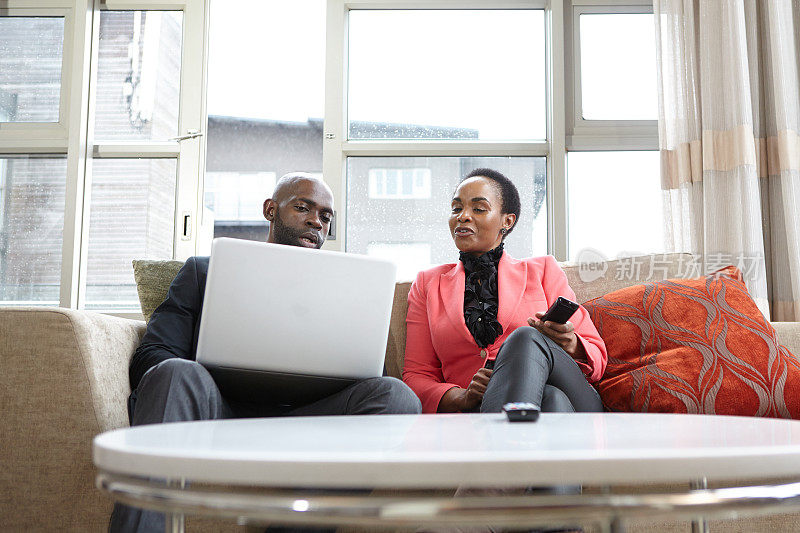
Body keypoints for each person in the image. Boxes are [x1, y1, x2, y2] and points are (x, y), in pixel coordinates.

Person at [111, 173, 422, 533]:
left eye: (325, 216)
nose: (315, 221)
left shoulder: (348, 289)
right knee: (173, 373)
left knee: (397, 397)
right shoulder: (202, 272)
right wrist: (207, 366)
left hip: (311, 424)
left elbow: (373, 377)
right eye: (303, 208)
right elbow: (152, 356)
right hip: (218, 415)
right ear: (270, 210)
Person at [402, 168, 606, 416]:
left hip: (574, 395)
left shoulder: (542, 270)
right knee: (551, 400)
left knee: (525, 338)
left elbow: (597, 357)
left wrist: (571, 343)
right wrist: (461, 396)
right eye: (456, 208)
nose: (463, 217)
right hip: (483, 409)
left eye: (478, 209)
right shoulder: (428, 284)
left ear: (507, 221)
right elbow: (417, 375)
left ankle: (497, 447)